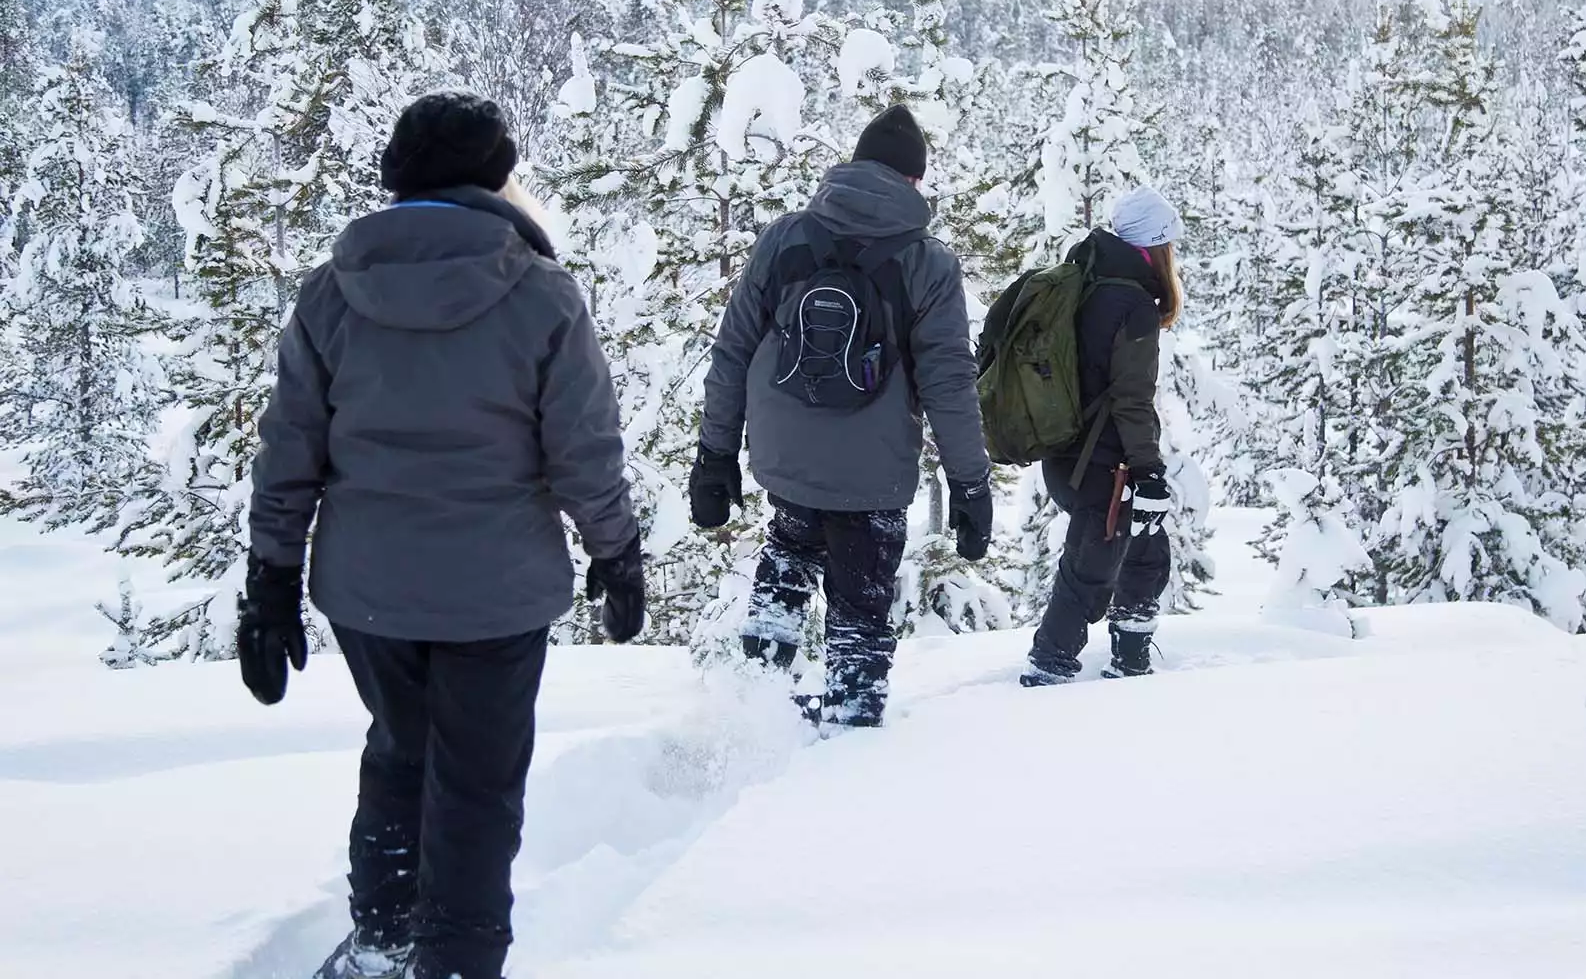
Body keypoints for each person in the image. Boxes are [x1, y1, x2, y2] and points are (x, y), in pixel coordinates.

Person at [238, 92, 648, 979]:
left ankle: (383, 941)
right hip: (497, 596)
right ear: (498, 178)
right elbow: (583, 448)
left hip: (370, 592)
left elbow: (290, 450)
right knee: (477, 791)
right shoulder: (542, 293)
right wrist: (616, 550)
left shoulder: (330, 291)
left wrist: (269, 575)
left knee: (399, 750)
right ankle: (456, 963)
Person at [691, 105, 993, 728]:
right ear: (914, 181)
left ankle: (752, 715)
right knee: (858, 611)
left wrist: (715, 455)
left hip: (785, 458)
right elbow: (949, 384)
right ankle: (848, 739)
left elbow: (733, 351)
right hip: (871, 476)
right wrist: (970, 481)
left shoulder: (785, 238)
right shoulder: (928, 263)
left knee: (786, 566)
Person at [1021, 186, 1185, 687]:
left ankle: (1131, 664)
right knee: (1088, 574)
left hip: (1067, 456)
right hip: (1105, 467)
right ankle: (1046, 671)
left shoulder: (1087, 282)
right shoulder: (1132, 304)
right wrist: (1149, 471)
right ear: (1156, 247)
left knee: (1146, 551)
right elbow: (1130, 399)